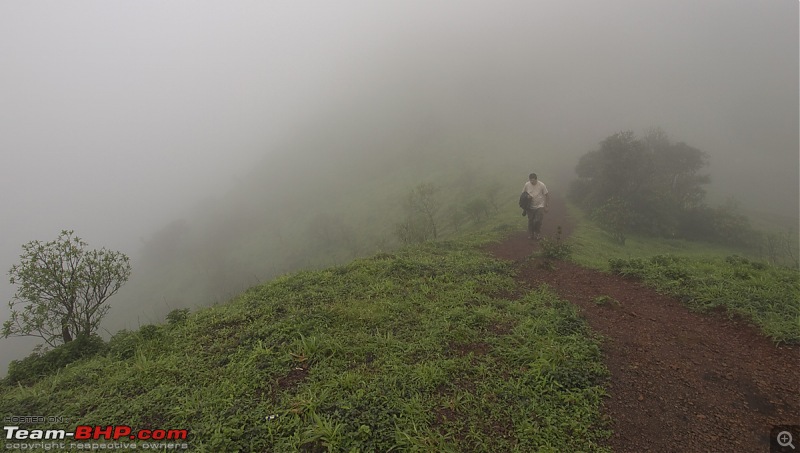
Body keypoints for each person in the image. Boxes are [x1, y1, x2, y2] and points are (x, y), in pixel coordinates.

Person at [522, 173, 549, 240]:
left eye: (533, 180)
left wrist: (546, 205)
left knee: (538, 220)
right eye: (531, 180)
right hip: (530, 206)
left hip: (540, 205)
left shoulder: (541, 185)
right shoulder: (527, 185)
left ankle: (538, 234)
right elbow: (523, 194)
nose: (532, 182)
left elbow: (547, 195)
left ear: (536, 179)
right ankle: (531, 234)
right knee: (530, 221)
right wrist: (527, 197)